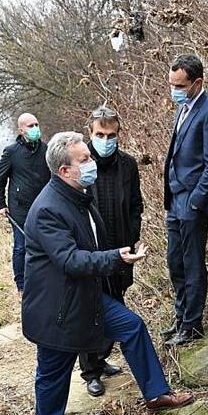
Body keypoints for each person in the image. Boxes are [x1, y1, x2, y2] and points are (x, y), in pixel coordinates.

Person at [22, 132, 193, 415]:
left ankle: (156, 394)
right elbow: (71, 260)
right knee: (53, 374)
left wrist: (117, 255)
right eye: (84, 159)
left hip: (85, 296)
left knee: (132, 326)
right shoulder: (47, 209)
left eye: (89, 156)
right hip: (55, 309)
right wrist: (116, 258)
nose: (91, 163)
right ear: (64, 170)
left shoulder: (79, 196)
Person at [162, 54, 208, 347]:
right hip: (174, 199)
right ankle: (180, 317)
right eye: (171, 84)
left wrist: (195, 201)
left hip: (191, 203)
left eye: (180, 85)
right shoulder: (183, 109)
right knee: (175, 261)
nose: (174, 90)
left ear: (197, 82)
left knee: (192, 264)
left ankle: (192, 325)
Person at [79, 106, 144, 397]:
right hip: (91, 253)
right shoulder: (82, 163)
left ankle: (102, 357)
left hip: (120, 251)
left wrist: (131, 240)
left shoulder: (127, 165)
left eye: (111, 134)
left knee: (116, 301)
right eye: (100, 134)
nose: (106, 139)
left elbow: (134, 206)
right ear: (89, 134)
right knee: (91, 309)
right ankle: (90, 370)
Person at [0, 113, 51, 297]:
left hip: (43, 206)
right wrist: (0, 204)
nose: (35, 128)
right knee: (21, 246)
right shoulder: (11, 152)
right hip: (19, 209)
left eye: (37, 124)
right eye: (30, 126)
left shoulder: (46, 150)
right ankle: (21, 285)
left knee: (45, 244)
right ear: (21, 130)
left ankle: (43, 280)